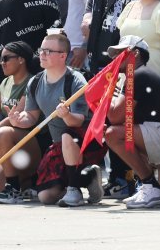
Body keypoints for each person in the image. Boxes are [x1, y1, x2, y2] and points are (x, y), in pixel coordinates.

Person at [9, 32, 104, 206]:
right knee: (45, 197)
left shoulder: (76, 81)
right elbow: (31, 116)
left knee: (68, 135)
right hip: (59, 145)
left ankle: (74, 190)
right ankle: (87, 179)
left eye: (48, 51)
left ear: (62, 56)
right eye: (41, 50)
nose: (42, 54)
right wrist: (18, 120)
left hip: (84, 142)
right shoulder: (35, 82)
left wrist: (67, 115)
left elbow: (78, 121)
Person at [100, 35, 160, 208]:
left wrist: (103, 92)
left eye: (120, 53)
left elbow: (115, 116)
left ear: (135, 54)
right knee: (118, 131)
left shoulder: (138, 75)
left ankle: (151, 186)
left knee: (114, 135)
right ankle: (150, 186)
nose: (114, 58)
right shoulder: (136, 75)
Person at [0, 41, 38, 204]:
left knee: (1, 132)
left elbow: (14, 117)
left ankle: (15, 187)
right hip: (10, 145)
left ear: (21, 60)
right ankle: (24, 185)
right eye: (0, 59)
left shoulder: (32, 82)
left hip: (30, 144)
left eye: (6, 58)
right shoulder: (5, 82)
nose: (2, 63)